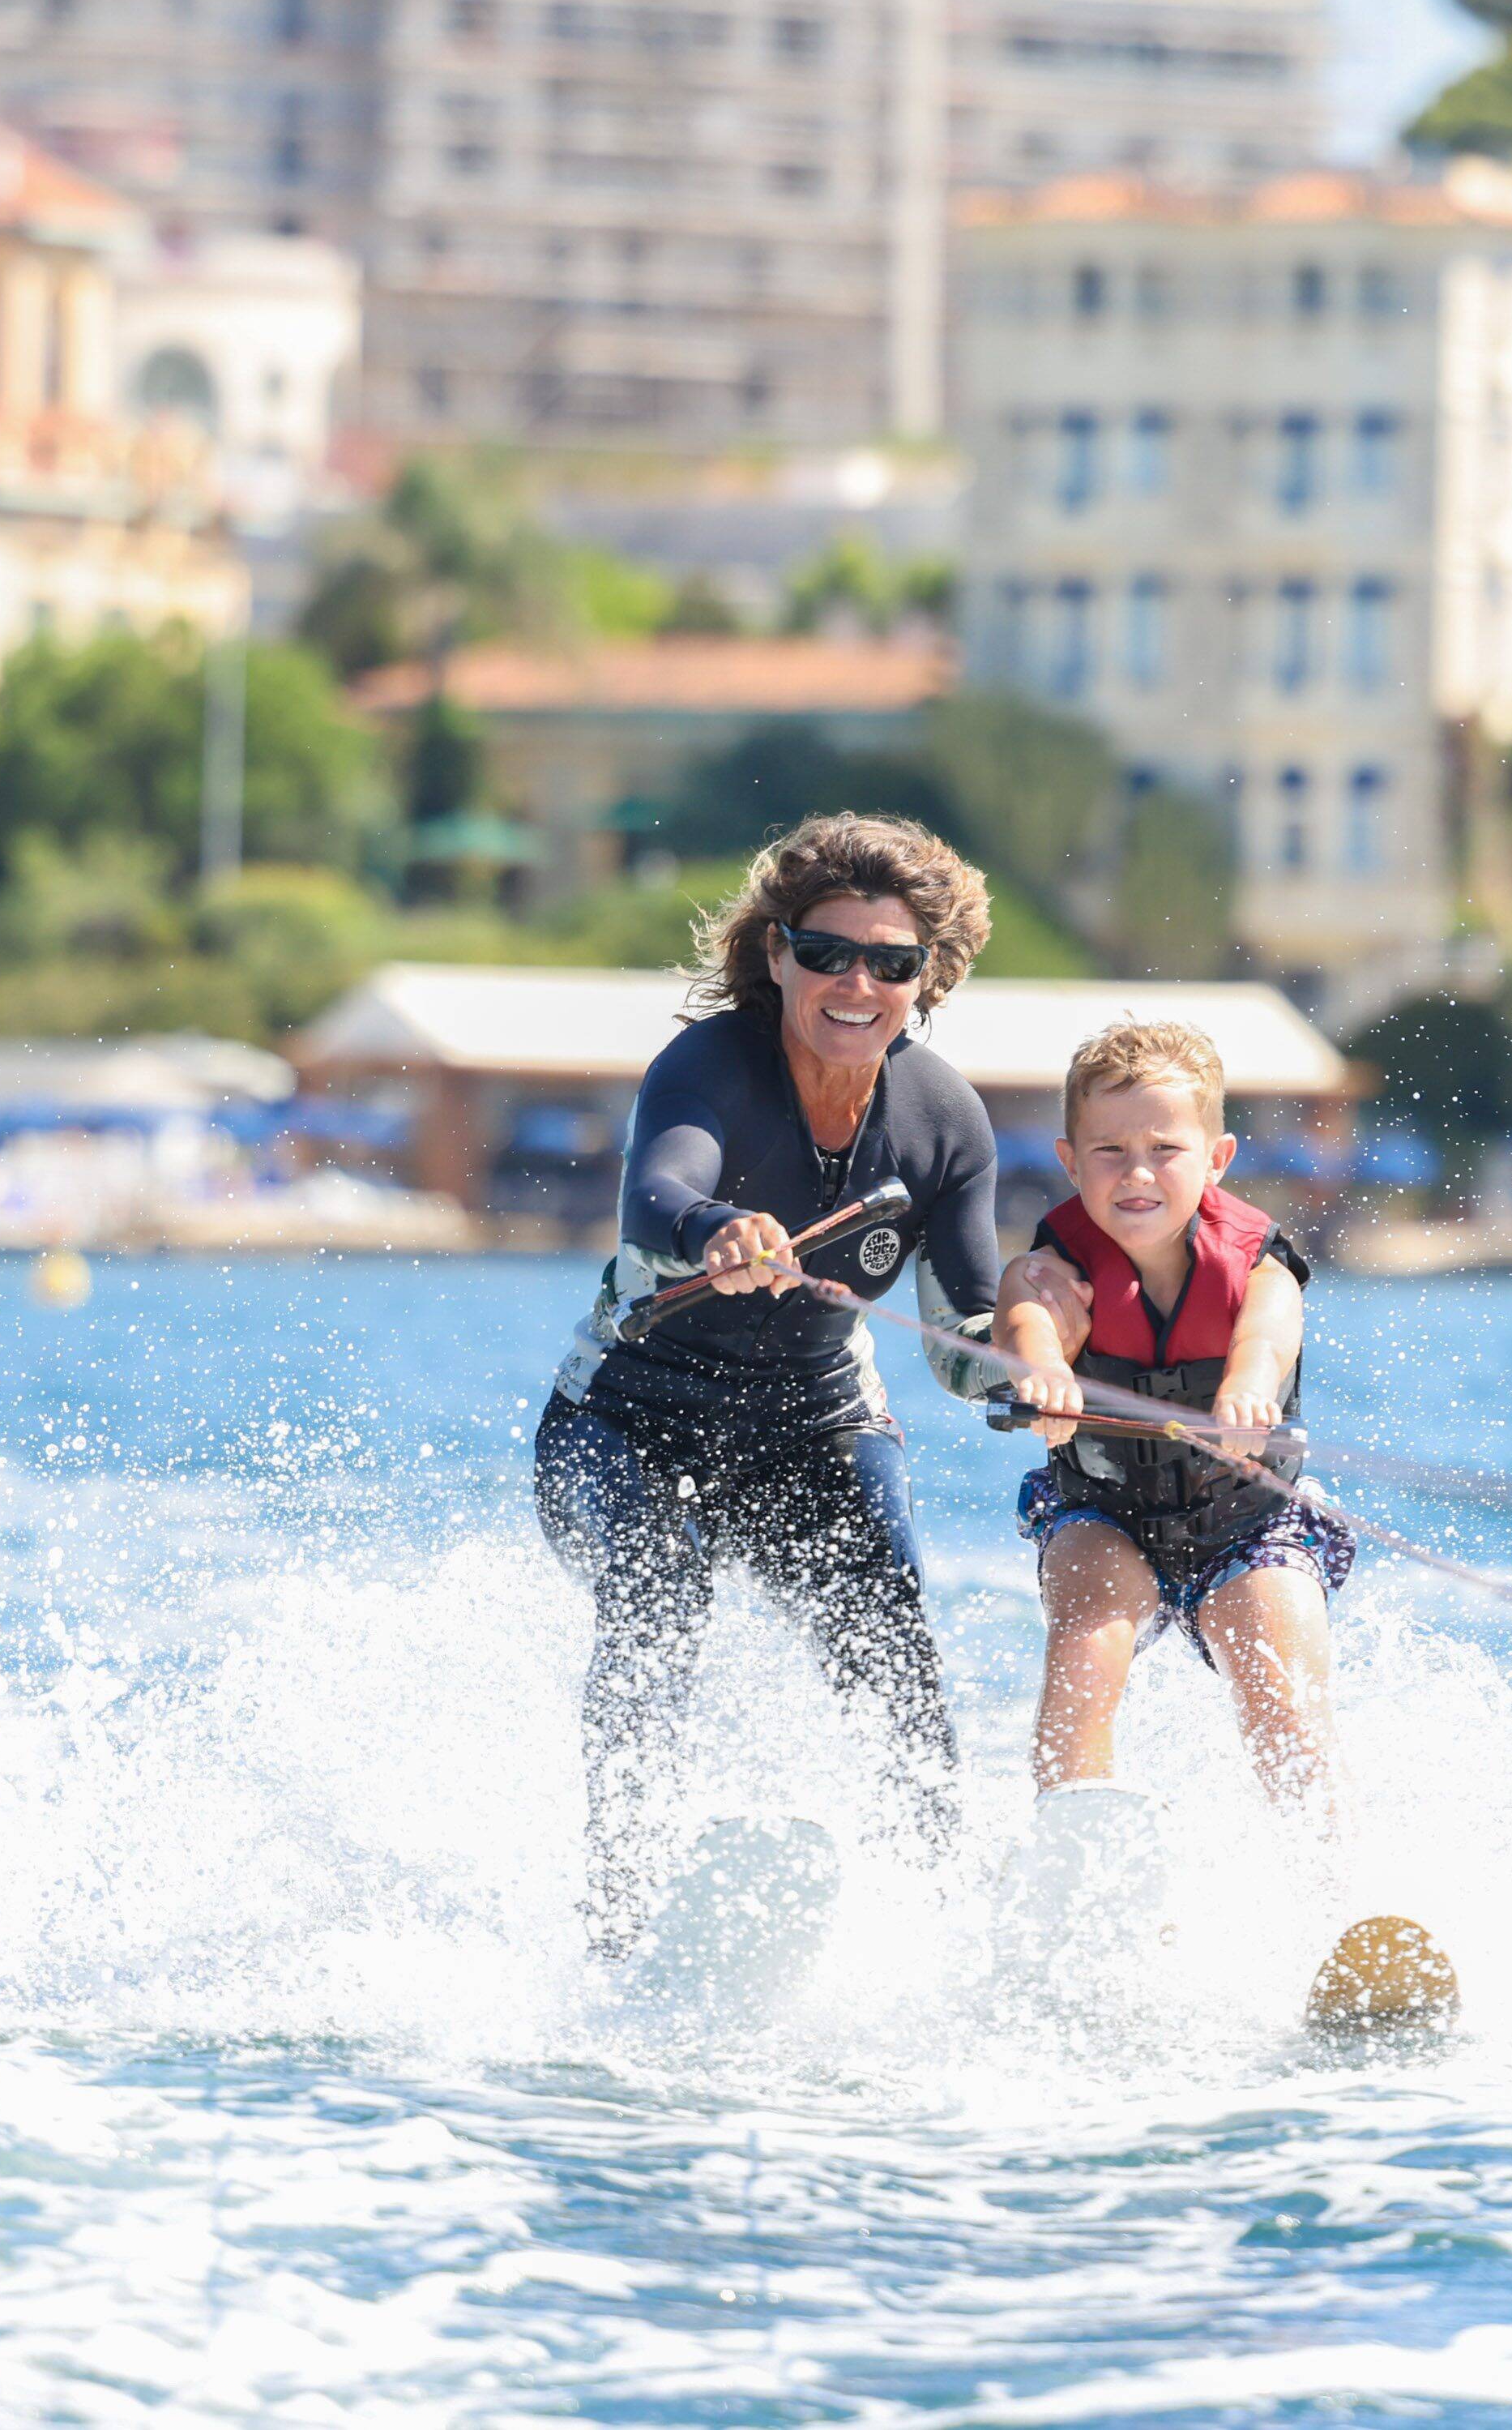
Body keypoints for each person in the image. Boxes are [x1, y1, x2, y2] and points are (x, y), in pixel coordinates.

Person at [534, 814, 1011, 1953]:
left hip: (817, 1424)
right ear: (775, 957)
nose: (856, 983)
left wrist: (1021, 1373)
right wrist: (714, 1228)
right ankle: (619, 1915)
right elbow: (654, 1196)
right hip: (626, 1423)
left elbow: (962, 1337)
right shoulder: (708, 1067)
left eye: (891, 963)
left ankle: (947, 1920)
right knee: (657, 1596)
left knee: (893, 1646)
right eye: (824, 953)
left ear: (927, 977)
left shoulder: (943, 1122)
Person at [994, 1019, 1356, 1847]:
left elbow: (1268, 1335)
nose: (1137, 1172)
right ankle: (1076, 1851)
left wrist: (1244, 1390)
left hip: (1247, 1519)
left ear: (1216, 1157)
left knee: (1279, 1688)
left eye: (1163, 1147)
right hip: (1104, 1511)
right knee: (1086, 1634)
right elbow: (1024, 1314)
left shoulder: (1256, 1264)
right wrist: (1040, 1371)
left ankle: (1334, 1888)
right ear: (1069, 1160)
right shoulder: (1055, 1264)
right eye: (1110, 1150)